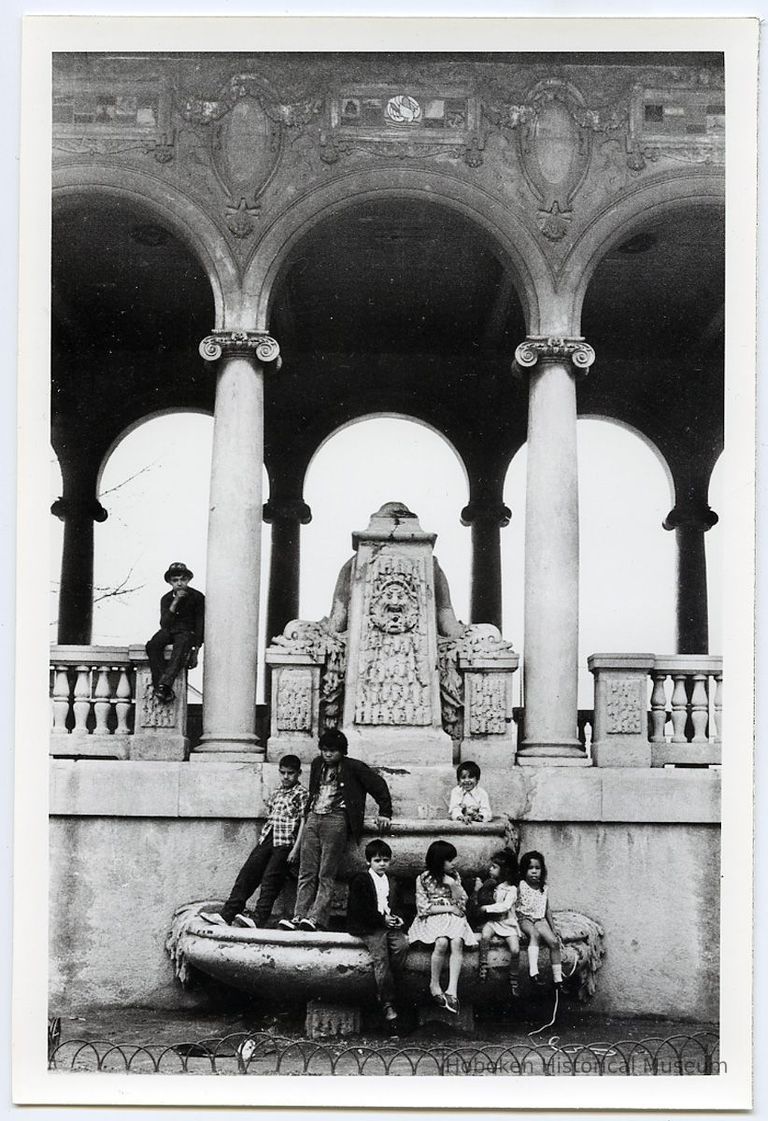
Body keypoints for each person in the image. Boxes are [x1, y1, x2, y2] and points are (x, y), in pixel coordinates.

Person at [278, 728, 392, 933]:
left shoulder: (353, 767)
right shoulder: (316, 764)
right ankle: (299, 915)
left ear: (342, 751)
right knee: (306, 870)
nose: (328, 754)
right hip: (314, 817)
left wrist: (385, 811)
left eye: (333, 750)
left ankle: (317, 918)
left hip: (336, 819)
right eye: (324, 750)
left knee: (326, 872)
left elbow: (378, 785)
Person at [201, 754, 308, 929]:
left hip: (286, 842)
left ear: (298, 773)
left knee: (270, 880)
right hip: (268, 837)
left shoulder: (301, 793)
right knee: (248, 873)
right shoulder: (277, 792)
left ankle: (258, 919)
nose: (286, 777)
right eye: (283, 773)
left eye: (291, 773)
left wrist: (295, 849)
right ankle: (227, 914)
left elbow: (304, 821)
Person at [407, 839, 478, 1014]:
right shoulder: (423, 879)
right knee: (441, 943)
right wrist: (449, 908)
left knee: (456, 942)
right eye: (450, 860)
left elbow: (461, 902)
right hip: (433, 916)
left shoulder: (454, 877)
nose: (454, 864)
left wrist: (453, 885)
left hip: (454, 917)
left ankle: (452, 989)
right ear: (439, 861)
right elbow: (423, 908)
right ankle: (434, 983)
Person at [346, 838, 409, 1035]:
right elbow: (360, 909)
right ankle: (388, 1004)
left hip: (388, 924)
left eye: (385, 860)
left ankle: (390, 985)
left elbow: (398, 906)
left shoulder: (392, 881)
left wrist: (398, 919)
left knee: (402, 946)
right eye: (377, 860)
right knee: (380, 955)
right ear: (368, 862)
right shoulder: (361, 880)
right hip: (369, 926)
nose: (382, 864)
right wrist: (382, 920)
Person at [146, 561, 205, 703]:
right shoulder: (166, 599)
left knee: (181, 647)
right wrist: (175, 601)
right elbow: (164, 623)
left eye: (182, 579)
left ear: (188, 580)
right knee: (152, 645)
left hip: (186, 632)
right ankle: (161, 684)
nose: (179, 583)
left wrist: (196, 650)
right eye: (175, 580)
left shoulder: (197, 597)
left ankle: (164, 684)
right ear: (170, 582)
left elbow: (200, 624)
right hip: (169, 631)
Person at [474, 850, 521, 996]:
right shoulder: (493, 886)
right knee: (485, 936)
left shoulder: (512, 889)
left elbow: (505, 906)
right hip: (494, 922)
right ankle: (483, 966)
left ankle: (514, 977)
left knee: (515, 949)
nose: (490, 869)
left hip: (507, 922)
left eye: (494, 867)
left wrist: (485, 908)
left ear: (504, 870)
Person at [516, 850, 563, 988]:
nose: (534, 871)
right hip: (524, 917)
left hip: (540, 919)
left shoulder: (544, 888)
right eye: (530, 868)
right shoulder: (521, 885)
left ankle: (558, 979)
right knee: (534, 934)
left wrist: (553, 928)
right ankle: (533, 973)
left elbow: (547, 909)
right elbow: (513, 905)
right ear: (524, 870)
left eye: (537, 868)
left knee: (554, 942)